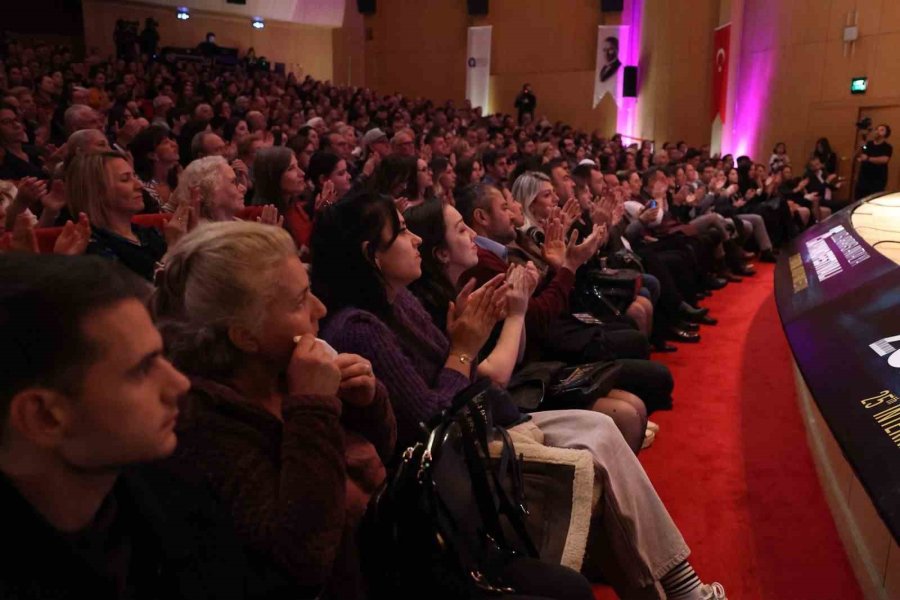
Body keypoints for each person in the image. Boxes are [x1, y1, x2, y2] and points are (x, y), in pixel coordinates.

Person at [310, 191, 727, 600]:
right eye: (401, 233)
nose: (414, 239)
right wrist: (465, 347)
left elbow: (466, 376)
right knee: (599, 450)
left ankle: (680, 583)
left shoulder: (399, 302)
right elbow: (431, 421)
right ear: (372, 255)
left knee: (601, 427)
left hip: (485, 422)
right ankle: (681, 589)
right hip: (454, 465)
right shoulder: (359, 327)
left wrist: (467, 348)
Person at [152, 222, 397, 599]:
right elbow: (304, 558)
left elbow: (382, 452)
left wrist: (367, 402)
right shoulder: (204, 424)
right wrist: (314, 407)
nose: (321, 308)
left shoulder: (285, 369)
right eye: (300, 301)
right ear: (245, 335)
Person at [0, 254, 251, 599]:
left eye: (162, 356)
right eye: (142, 369)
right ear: (44, 416)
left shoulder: (174, 487)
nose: (179, 384)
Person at [66, 151, 184, 280]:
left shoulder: (147, 233)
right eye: (125, 179)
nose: (139, 185)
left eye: (135, 176)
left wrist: (192, 239)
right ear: (97, 191)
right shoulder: (92, 247)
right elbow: (143, 293)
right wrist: (174, 247)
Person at [855, 123, 893, 200]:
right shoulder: (868, 144)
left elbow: (884, 160)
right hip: (863, 178)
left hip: (877, 180)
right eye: (877, 129)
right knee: (859, 200)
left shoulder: (887, 147)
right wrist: (862, 146)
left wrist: (868, 158)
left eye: (881, 130)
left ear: (886, 134)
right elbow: (861, 153)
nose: (878, 131)